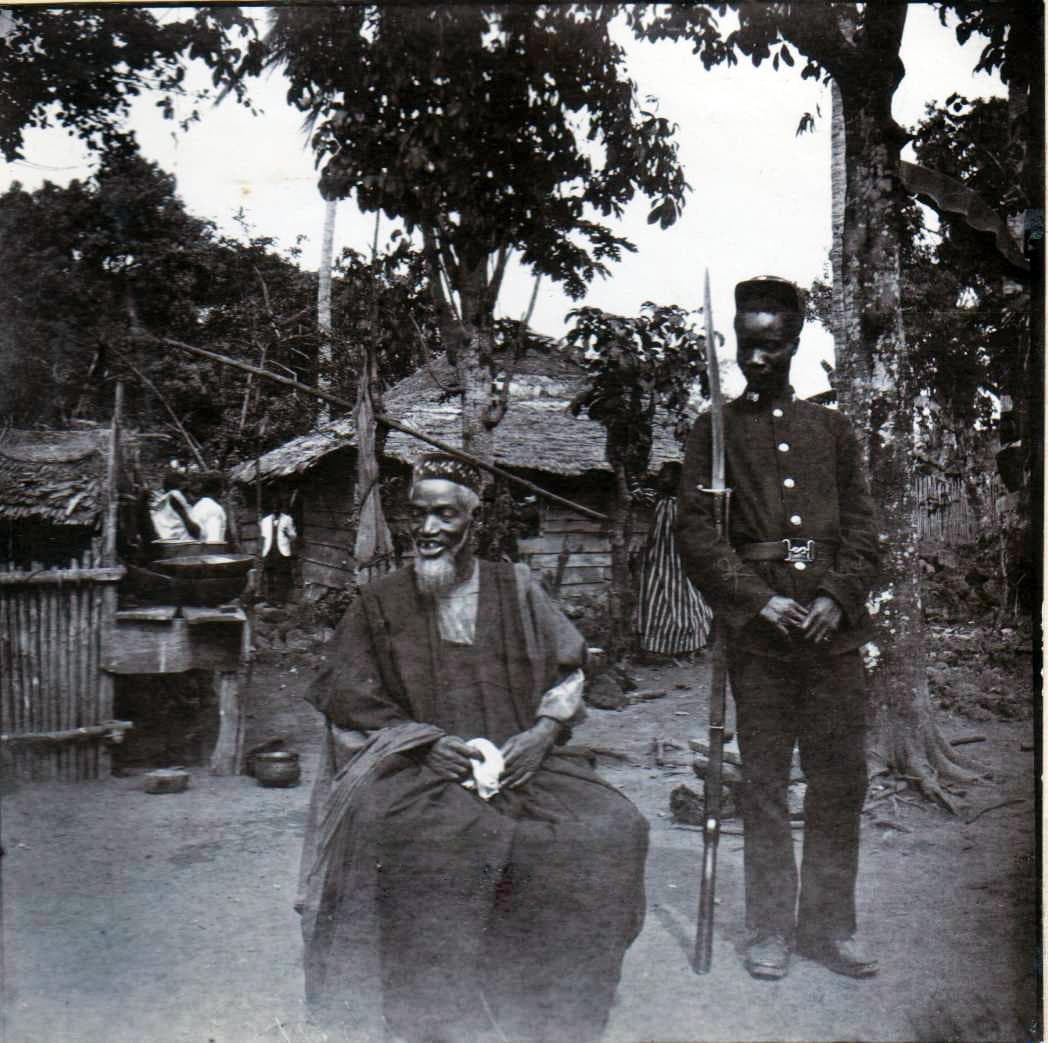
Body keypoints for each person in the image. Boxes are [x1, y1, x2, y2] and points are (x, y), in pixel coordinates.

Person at [297, 452, 648, 1043]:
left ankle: (553, 1007)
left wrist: (542, 734)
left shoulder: (517, 588)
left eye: (445, 516)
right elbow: (344, 694)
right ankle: (436, 1018)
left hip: (523, 762)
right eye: (419, 516)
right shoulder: (379, 601)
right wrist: (420, 743)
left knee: (612, 826)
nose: (429, 531)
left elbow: (570, 674)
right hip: (418, 769)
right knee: (428, 840)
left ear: (472, 523)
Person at [676, 276, 880, 982]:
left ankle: (829, 926)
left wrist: (836, 596)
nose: (757, 358)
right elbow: (698, 535)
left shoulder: (832, 431)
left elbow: (863, 530)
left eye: (771, 345)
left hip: (834, 640)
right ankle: (769, 928)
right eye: (746, 345)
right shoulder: (715, 431)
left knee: (839, 781)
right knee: (762, 784)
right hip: (760, 643)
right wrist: (757, 601)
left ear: (794, 344)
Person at [635, 461, 713, 658]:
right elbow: (638, 494)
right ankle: (661, 645)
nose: (664, 480)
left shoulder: (683, 505)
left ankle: (687, 642)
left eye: (668, 477)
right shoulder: (657, 500)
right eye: (663, 476)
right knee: (657, 596)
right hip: (658, 558)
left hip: (678, 559)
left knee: (683, 596)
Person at [260, 494, 297, 604]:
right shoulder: (265, 521)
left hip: (282, 552)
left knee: (281, 576)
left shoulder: (287, 519)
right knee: (269, 576)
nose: (276, 510)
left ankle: (281, 601)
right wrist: (263, 551)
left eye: (278, 508)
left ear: (281, 508)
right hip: (269, 551)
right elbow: (263, 537)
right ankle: (270, 600)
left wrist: (288, 534)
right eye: (274, 508)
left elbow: (293, 536)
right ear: (271, 509)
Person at [149, 471, 200, 542]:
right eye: (186, 490)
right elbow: (196, 533)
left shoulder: (159, 504)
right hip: (183, 546)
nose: (190, 496)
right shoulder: (175, 495)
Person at [189, 473, 227, 544]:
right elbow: (213, 542)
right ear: (219, 490)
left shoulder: (196, 507)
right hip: (209, 552)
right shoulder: (214, 508)